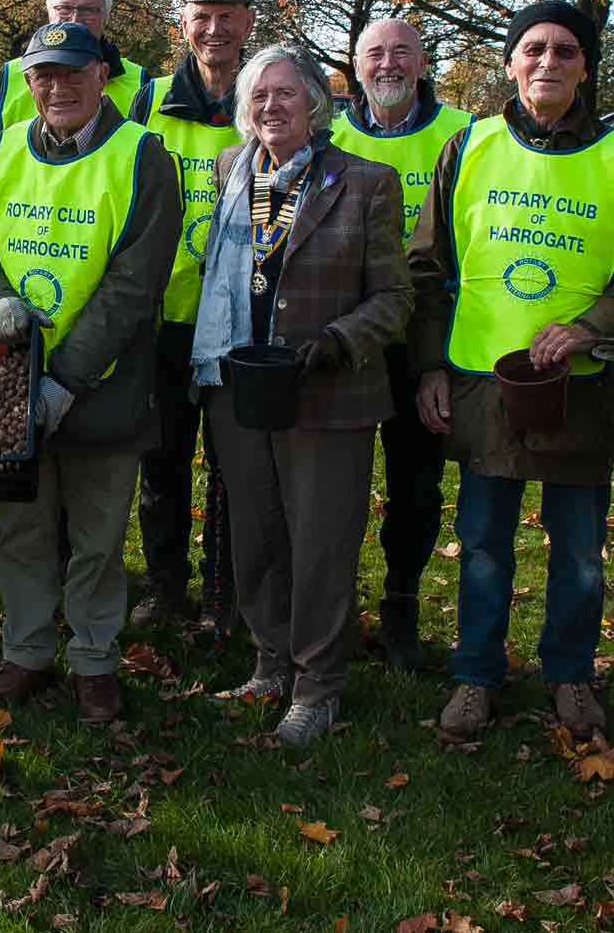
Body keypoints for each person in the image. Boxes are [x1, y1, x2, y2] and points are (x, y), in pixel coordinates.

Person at [407, 0, 614, 740]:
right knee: (484, 541)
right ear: (510, 60)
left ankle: (570, 673)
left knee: (580, 549)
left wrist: (591, 328)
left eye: (564, 51)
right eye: (533, 49)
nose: (548, 63)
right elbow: (428, 266)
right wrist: (429, 366)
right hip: (483, 383)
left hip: (577, 387)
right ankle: (475, 675)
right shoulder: (470, 147)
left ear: (586, 66)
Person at [0, 21, 179, 724]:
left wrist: (64, 380)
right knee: (20, 530)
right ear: (28, 84)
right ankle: (25, 650)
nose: (59, 87)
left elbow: (133, 287)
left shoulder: (143, 156)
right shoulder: (7, 146)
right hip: (11, 384)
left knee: (97, 537)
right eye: (44, 75)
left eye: (74, 72)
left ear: (103, 77)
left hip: (101, 392)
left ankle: (95, 660)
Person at [192, 45, 413, 744]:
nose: (271, 107)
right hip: (240, 384)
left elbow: (395, 297)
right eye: (258, 97)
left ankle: (318, 685)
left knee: (320, 543)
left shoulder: (365, 182)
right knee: (256, 535)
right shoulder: (232, 170)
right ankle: (270, 660)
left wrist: (337, 341)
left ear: (316, 103)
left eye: (286, 94)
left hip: (326, 391)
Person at [326, 19, 475, 668]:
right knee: (337, 489)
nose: (387, 64)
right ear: (355, 67)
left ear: (422, 62)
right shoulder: (327, 132)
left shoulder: (465, 135)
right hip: (347, 342)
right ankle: (332, 609)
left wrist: (436, 357)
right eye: (374, 53)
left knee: (415, 489)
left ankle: (401, 606)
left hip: (423, 345)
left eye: (401, 52)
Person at [128, 0, 255, 632]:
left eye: (228, 17)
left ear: (248, 26)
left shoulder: (266, 98)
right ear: (184, 24)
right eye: (203, 16)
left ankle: (223, 593)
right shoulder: (148, 102)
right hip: (165, 318)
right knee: (163, 464)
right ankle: (164, 585)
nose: (215, 30)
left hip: (239, 322)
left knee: (234, 466)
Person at [0, 0, 146, 139]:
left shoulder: (139, 82)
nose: (75, 19)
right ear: (49, 13)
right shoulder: (9, 77)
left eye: (88, 10)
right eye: (64, 9)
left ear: (106, 16)